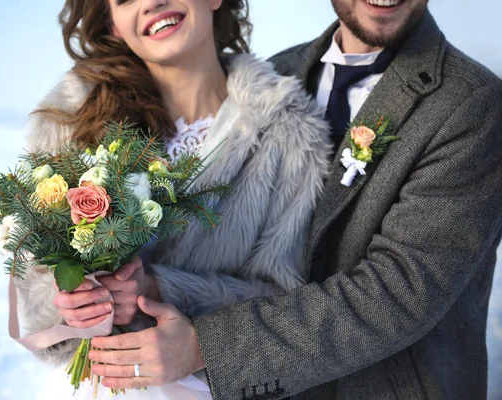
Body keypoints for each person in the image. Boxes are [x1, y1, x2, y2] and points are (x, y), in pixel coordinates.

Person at [78, 1, 502, 399]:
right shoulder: (276, 75)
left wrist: (205, 347)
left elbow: (399, 289)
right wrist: (137, 290)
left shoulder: (472, 104)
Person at [16, 0, 331, 398]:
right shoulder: (73, 117)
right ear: (113, 24)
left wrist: (158, 289)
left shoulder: (290, 134)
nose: (152, 2)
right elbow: (31, 299)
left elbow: (287, 302)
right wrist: (74, 301)